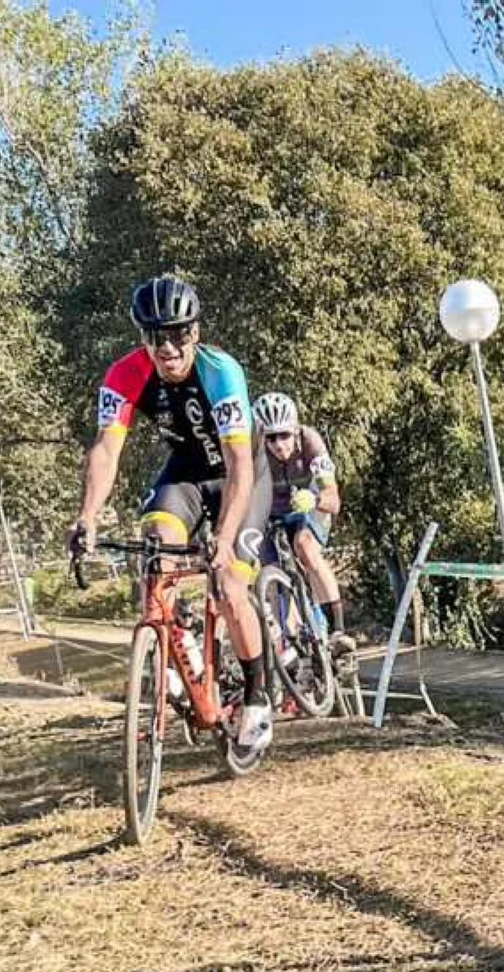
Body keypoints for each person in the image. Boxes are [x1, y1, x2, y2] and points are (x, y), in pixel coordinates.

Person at [68, 276, 276, 754]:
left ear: (195, 333)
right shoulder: (124, 373)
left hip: (241, 475)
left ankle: (257, 696)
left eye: (178, 334)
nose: (168, 347)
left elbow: (240, 464)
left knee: (228, 583)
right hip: (184, 474)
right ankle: (171, 655)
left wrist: (223, 543)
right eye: (155, 336)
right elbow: (106, 449)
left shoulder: (220, 371)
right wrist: (88, 517)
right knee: (157, 553)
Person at [251, 391, 356, 657]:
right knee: (271, 575)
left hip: (309, 508)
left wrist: (317, 498)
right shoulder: (254, 451)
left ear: (296, 431)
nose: (277, 444)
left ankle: (338, 629)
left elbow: (334, 500)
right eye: (270, 437)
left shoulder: (311, 442)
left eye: (284, 435)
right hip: (270, 513)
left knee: (304, 545)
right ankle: (292, 642)